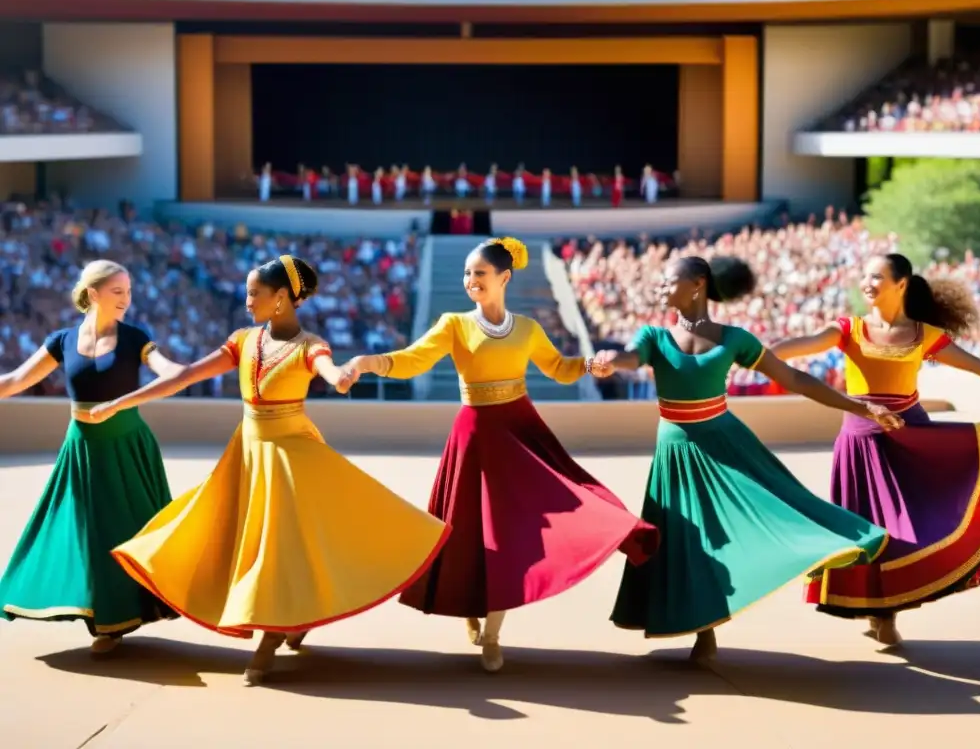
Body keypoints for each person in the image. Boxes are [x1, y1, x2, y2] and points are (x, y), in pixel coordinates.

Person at [87, 255, 450, 685]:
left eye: (253, 293)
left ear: (280, 298)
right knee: (228, 539)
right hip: (247, 455)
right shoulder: (242, 340)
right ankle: (289, 619)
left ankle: (270, 635)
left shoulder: (309, 345)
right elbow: (183, 376)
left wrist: (343, 376)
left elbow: (330, 372)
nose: (246, 300)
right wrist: (118, 403)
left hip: (291, 457)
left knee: (277, 549)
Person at [337, 237, 659, 673]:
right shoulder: (454, 323)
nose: (471, 281)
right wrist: (367, 362)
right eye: (468, 274)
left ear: (504, 278)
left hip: (520, 431)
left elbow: (559, 368)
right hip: (475, 437)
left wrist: (588, 365)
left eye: (480, 274)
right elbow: (413, 360)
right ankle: (472, 609)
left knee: (511, 535)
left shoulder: (527, 328)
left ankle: (492, 634)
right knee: (469, 532)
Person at [594, 255, 898, 662]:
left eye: (669, 282)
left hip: (726, 444)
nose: (661, 289)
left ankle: (718, 621)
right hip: (676, 452)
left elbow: (793, 378)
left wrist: (860, 407)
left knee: (766, 515)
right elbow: (629, 357)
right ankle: (705, 632)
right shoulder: (654, 337)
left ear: (698, 284)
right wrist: (609, 361)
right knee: (688, 541)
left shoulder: (734, 339)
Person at [772, 253, 980, 647]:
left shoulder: (924, 335)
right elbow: (797, 347)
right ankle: (877, 609)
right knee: (868, 532)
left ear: (901, 283)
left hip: (912, 441)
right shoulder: (848, 329)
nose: (867, 283)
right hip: (859, 444)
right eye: (865, 276)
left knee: (905, 530)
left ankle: (887, 613)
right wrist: (749, 355)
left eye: (876, 276)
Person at [0, 260, 182, 654]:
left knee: (132, 529)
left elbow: (170, 374)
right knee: (87, 532)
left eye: (129, 292)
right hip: (82, 447)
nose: (126, 300)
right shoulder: (61, 341)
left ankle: (123, 616)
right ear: (92, 293)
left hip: (128, 445)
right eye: (118, 292)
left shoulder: (136, 338)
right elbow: (15, 381)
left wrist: (187, 372)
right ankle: (106, 623)